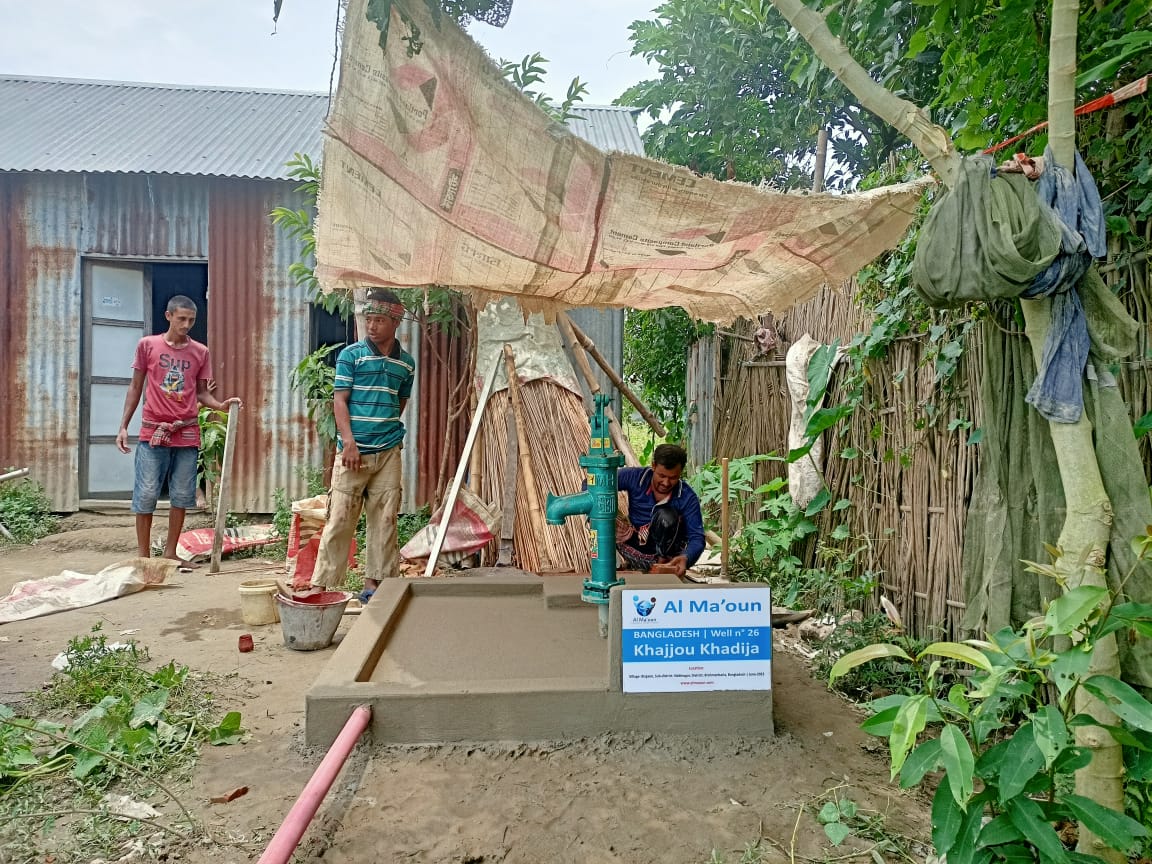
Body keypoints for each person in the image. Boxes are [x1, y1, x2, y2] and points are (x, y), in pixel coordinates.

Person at [116, 295, 242, 561]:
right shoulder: (147, 345)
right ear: (168, 316)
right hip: (153, 429)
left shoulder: (200, 352)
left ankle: (171, 553)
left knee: (182, 494)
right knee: (147, 491)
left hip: (186, 431)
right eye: (182, 318)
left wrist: (220, 404)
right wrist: (123, 426)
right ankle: (143, 556)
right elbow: (135, 387)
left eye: (191, 320)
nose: (187, 324)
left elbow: (201, 394)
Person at [308, 288, 415, 601]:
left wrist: (386, 436)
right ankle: (320, 586)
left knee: (385, 519)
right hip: (353, 453)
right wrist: (349, 443)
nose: (372, 325)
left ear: (395, 322)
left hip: (388, 453)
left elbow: (400, 402)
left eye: (379, 320)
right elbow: (339, 401)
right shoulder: (350, 355)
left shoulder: (406, 364)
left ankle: (374, 585)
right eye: (369, 319)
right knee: (340, 517)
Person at [616, 444, 705, 578]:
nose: (666, 483)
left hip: (668, 559)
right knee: (604, 518)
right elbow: (592, 484)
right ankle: (612, 566)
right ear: (653, 466)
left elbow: (697, 538)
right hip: (634, 548)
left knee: (666, 517)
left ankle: (661, 566)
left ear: (681, 472)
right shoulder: (635, 477)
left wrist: (686, 557)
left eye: (673, 477)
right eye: (661, 475)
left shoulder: (687, 497)